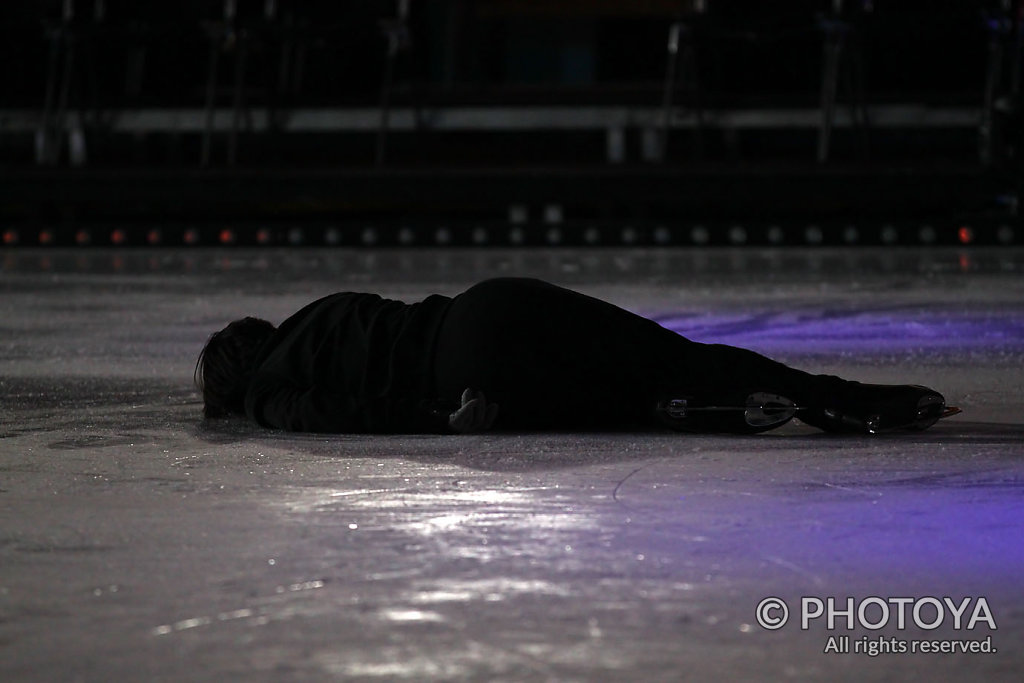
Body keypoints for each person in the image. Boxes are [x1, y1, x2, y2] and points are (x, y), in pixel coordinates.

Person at [194, 278, 948, 435]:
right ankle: (844, 395)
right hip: (489, 302)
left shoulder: (267, 389)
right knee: (673, 351)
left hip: (467, 370)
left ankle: (698, 410)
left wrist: (439, 419)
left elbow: (337, 414)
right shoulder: (316, 312)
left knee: (630, 401)